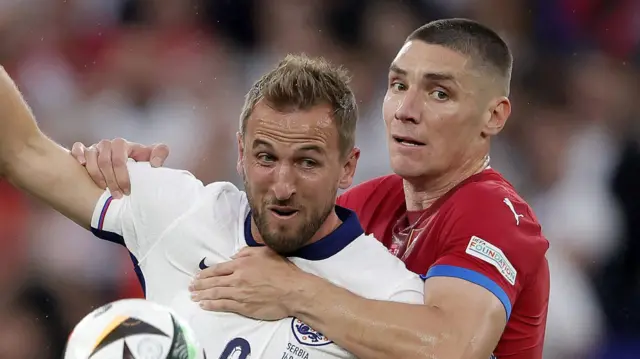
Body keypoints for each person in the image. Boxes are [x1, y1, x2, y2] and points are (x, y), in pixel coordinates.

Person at [77, 18, 551, 358]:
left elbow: (453, 348)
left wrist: (295, 290)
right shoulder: (368, 201)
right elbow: (255, 251)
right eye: (398, 85)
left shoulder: (493, 211)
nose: (407, 109)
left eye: (439, 93)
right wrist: (139, 182)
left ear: (494, 116)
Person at [0, 54, 425, 358]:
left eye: (307, 162)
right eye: (265, 157)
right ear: (240, 154)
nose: (282, 185)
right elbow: (23, 153)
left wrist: (301, 293)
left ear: (347, 168)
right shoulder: (181, 211)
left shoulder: (390, 296)